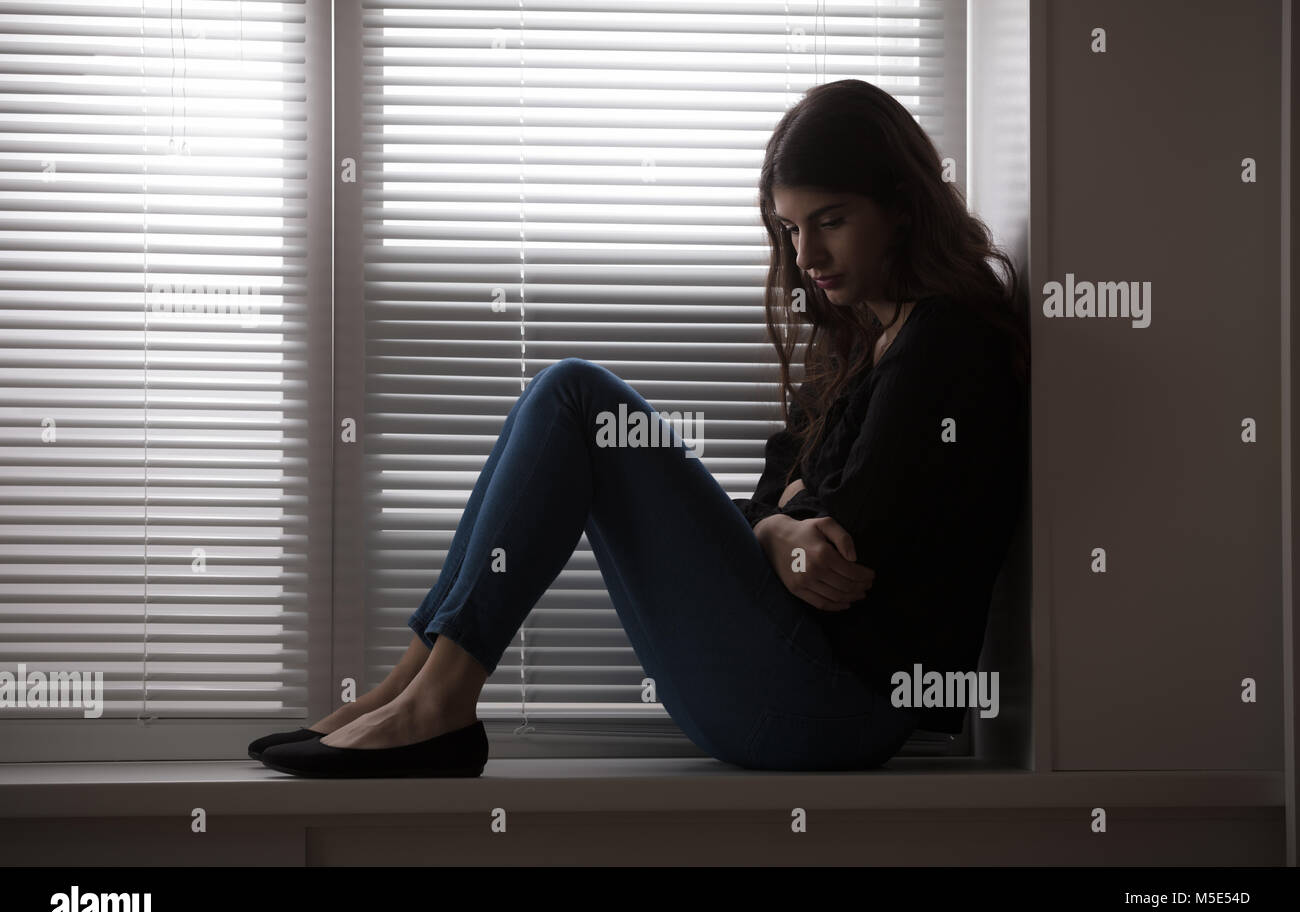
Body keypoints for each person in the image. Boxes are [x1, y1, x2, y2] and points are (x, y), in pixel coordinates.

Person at [253, 78, 1030, 777]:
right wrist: (774, 530)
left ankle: (438, 705)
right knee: (556, 401)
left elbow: (844, 547)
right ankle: (408, 686)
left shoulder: (948, 342)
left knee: (575, 397)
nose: (806, 257)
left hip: (831, 707)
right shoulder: (860, 347)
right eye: (789, 229)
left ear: (903, 203)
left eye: (830, 221)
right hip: (785, 691)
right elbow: (777, 502)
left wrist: (783, 524)